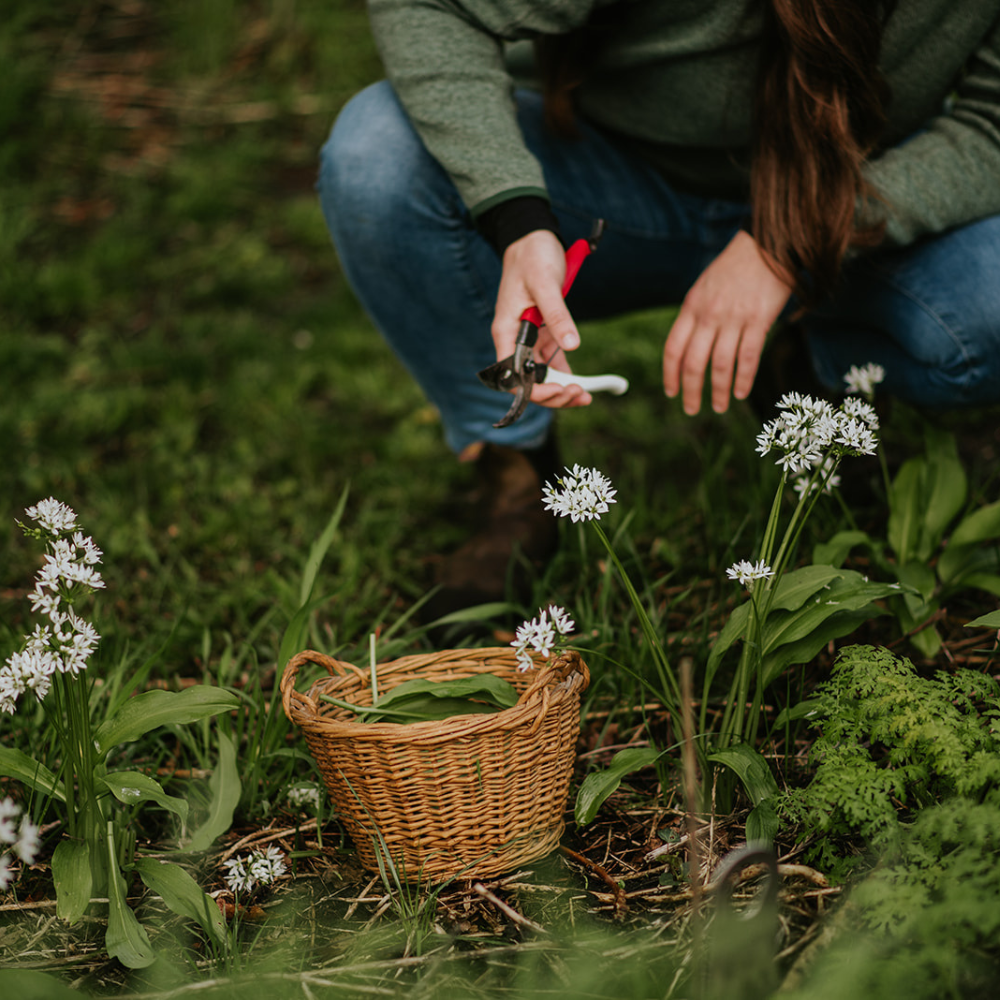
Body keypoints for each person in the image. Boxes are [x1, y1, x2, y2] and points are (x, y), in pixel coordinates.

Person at [319, 0, 1000, 615]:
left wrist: (788, 243)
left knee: (987, 308)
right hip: (622, 188)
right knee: (377, 157)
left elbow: (989, 123)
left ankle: (805, 359)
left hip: (850, 200)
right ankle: (512, 468)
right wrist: (518, 217)